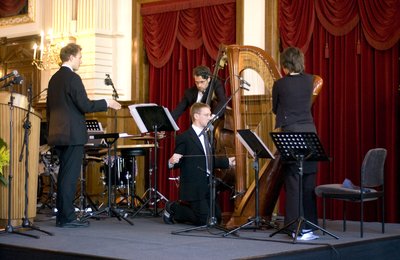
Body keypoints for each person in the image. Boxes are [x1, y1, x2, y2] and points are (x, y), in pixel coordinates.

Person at [46, 43, 121, 228]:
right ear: (70, 57)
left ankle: (62, 217)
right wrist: (107, 102)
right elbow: (85, 106)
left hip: (57, 134)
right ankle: (68, 218)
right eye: (80, 57)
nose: (81, 60)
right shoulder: (73, 78)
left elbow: (49, 109)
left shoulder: (53, 79)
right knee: (69, 178)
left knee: (64, 176)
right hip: (72, 136)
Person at [272, 47, 319, 240]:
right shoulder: (311, 81)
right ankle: (309, 225)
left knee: (293, 182)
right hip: (310, 132)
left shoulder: (280, 84)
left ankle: (294, 227)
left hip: (291, 132)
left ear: (285, 65)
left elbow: (275, 109)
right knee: (308, 181)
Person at [163, 102, 235, 226]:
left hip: (207, 186)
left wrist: (227, 161)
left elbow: (207, 161)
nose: (210, 117)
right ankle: (173, 208)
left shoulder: (208, 136)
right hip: (194, 187)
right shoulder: (184, 137)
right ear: (196, 116)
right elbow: (176, 162)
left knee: (216, 218)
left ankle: (190, 212)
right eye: (206, 115)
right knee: (204, 221)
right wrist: (171, 161)